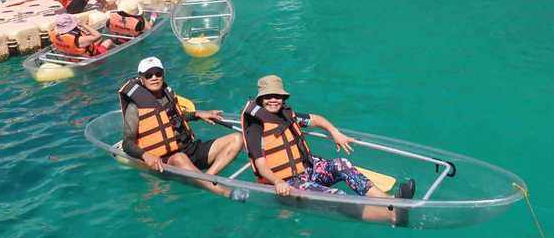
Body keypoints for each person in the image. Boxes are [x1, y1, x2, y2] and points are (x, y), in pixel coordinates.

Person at [241, 75, 416, 223]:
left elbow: (315, 119)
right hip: (287, 185)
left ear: (283, 98)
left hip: (308, 171)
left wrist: (334, 132)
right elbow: (260, 163)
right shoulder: (256, 127)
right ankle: (389, 216)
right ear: (260, 99)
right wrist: (277, 181)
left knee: (341, 164)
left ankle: (389, 201)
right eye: (268, 96)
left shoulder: (285, 115)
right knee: (337, 196)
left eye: (277, 96)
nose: (273, 100)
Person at [119, 56, 247, 200]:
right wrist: (146, 155)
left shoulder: (168, 95)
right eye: (148, 75)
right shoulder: (135, 106)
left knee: (237, 139)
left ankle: (206, 179)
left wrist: (197, 114)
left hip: (190, 150)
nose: (154, 78)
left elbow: (174, 117)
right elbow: (127, 142)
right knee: (180, 158)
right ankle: (225, 192)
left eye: (158, 73)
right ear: (141, 79)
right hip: (166, 161)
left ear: (163, 75)